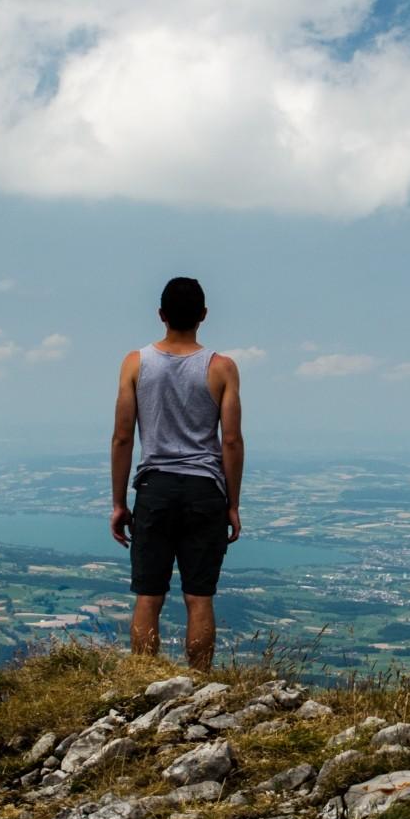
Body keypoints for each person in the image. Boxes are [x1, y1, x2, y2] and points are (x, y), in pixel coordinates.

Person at [109, 277, 243, 667]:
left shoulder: (135, 363)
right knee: (199, 596)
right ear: (203, 315)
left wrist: (119, 502)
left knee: (149, 594)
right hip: (205, 491)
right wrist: (232, 503)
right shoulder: (222, 368)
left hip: (156, 488)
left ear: (161, 315)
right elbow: (231, 441)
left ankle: (145, 681)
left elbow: (122, 437)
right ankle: (198, 684)